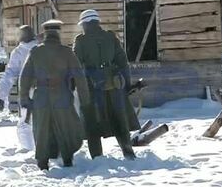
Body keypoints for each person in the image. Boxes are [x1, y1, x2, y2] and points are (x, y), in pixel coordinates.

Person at [19, 19, 90, 170]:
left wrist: (24, 97)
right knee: (65, 126)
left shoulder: (35, 51)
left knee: (42, 129)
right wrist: (85, 99)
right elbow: (79, 77)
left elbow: (25, 76)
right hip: (62, 94)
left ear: (44, 34)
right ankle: (67, 158)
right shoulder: (66, 52)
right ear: (58, 33)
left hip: (41, 96)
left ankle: (42, 162)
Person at [73, 9, 140, 160]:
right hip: (115, 86)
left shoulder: (81, 41)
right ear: (97, 22)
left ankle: (97, 158)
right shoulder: (110, 37)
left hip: (91, 87)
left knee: (92, 122)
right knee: (119, 119)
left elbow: (75, 66)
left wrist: (73, 86)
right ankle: (128, 153)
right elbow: (123, 62)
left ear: (84, 24)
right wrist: (127, 85)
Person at [0, 25, 38, 111]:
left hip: (25, 90)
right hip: (44, 90)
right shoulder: (41, 48)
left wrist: (1, 96)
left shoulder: (17, 52)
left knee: (26, 120)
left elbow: (10, 75)